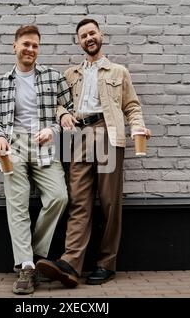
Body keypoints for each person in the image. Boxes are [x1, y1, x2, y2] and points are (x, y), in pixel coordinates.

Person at [36, 19, 151, 287]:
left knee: (110, 201)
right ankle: (70, 265)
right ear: (79, 42)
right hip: (77, 137)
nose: (89, 38)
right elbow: (56, 104)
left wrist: (138, 128)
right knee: (78, 200)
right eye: (83, 35)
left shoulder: (118, 72)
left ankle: (106, 264)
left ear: (101, 36)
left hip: (107, 133)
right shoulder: (69, 74)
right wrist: (63, 113)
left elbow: (131, 106)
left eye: (92, 33)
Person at [0, 24, 73, 294]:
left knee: (59, 196)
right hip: (13, 146)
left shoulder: (54, 77)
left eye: (35, 45)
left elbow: (70, 113)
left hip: (43, 144)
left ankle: (33, 254)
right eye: (26, 44)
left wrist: (54, 129)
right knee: (17, 204)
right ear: (15, 46)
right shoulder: (1, 84)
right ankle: (26, 265)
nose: (30, 49)